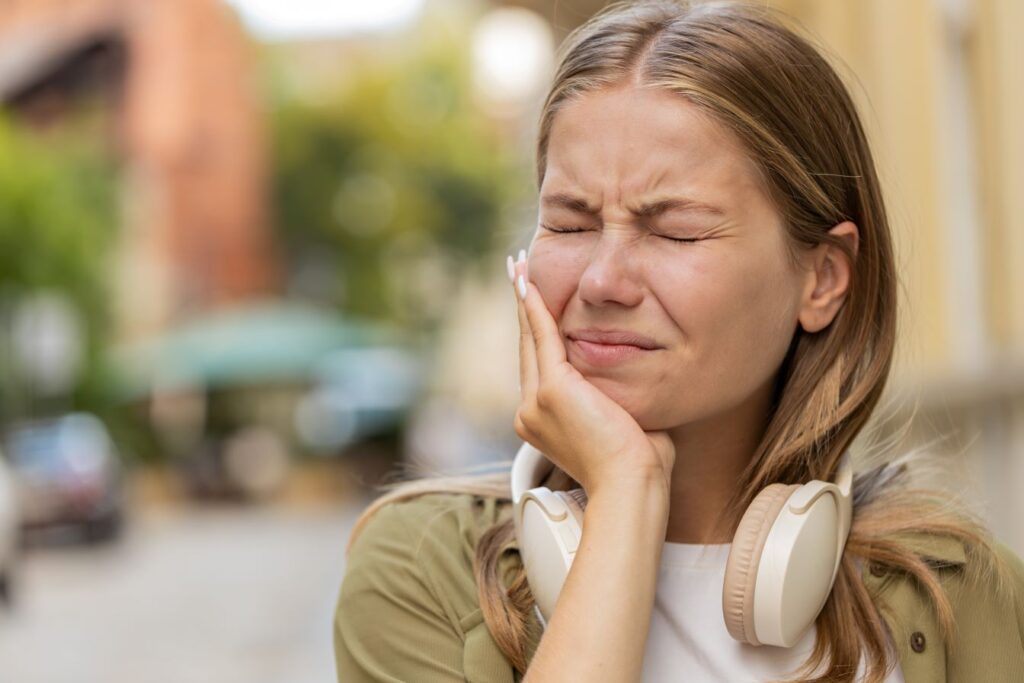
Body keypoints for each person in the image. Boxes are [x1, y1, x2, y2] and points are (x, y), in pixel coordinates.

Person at [333, 1, 1024, 681]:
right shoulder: (419, 570)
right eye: (570, 225)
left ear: (821, 278)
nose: (602, 280)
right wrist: (625, 492)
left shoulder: (966, 595)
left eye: (676, 231)